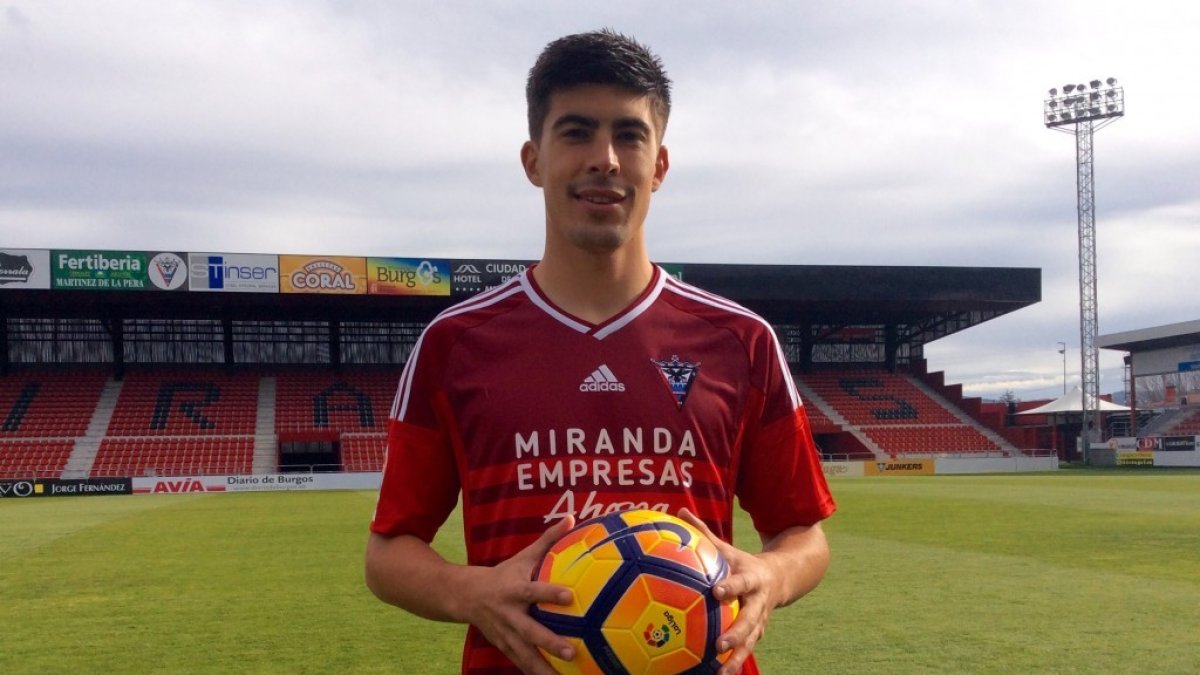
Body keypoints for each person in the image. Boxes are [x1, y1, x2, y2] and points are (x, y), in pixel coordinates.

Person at [365, 29, 835, 675]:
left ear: (659, 165)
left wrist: (771, 576)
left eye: (629, 135)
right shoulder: (456, 343)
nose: (605, 158)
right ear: (533, 160)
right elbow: (389, 550)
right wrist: (469, 590)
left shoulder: (741, 340)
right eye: (577, 132)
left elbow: (804, 535)